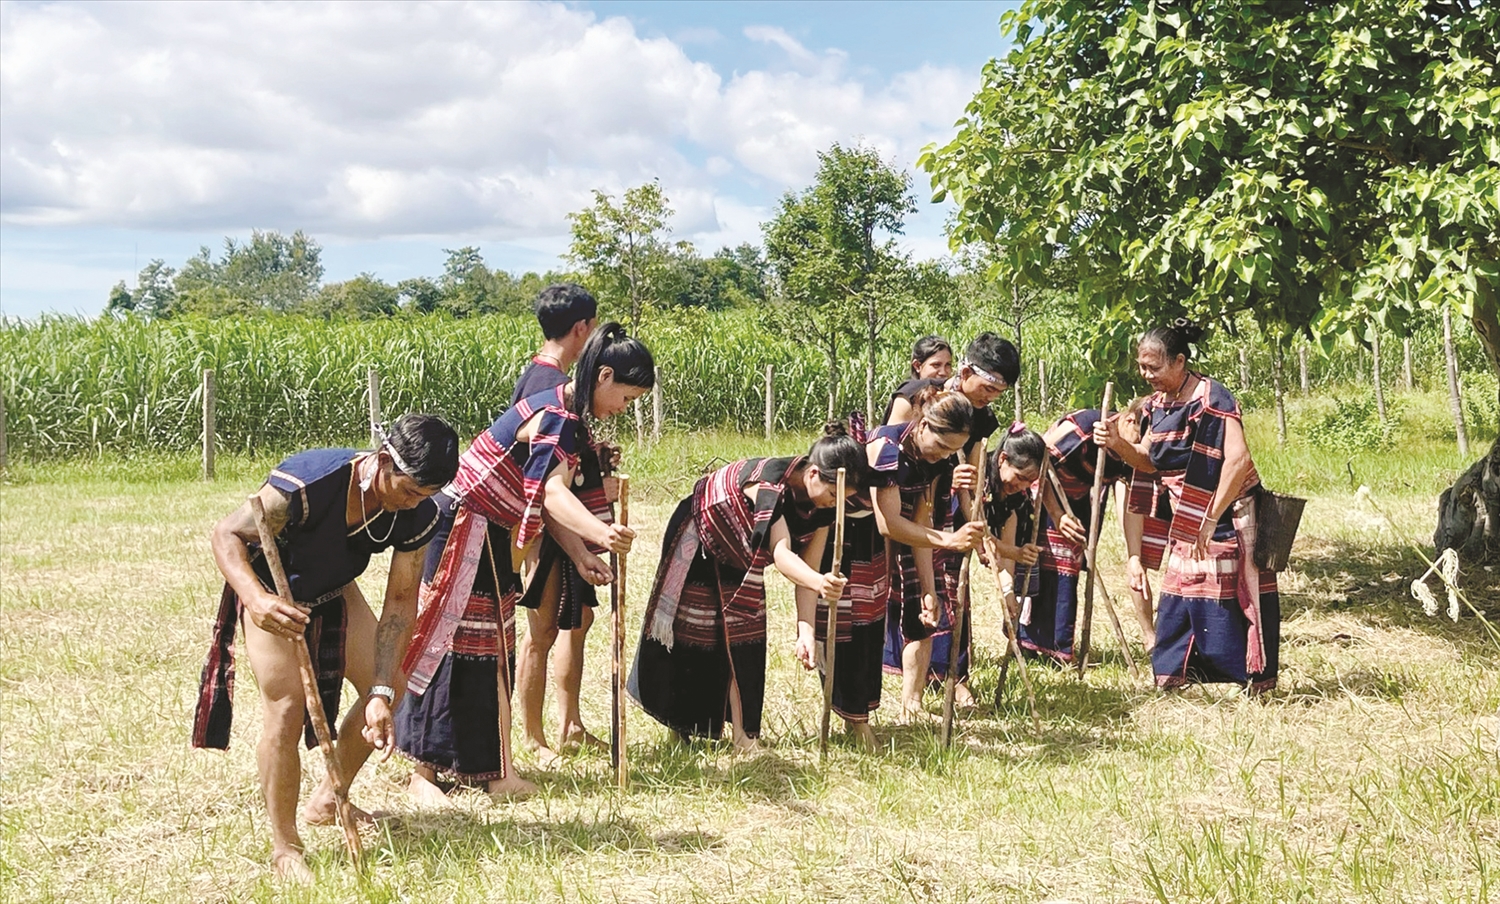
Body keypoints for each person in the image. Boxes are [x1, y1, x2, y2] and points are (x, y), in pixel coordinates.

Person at [191, 414, 460, 882]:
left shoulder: (419, 513)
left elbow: (399, 602)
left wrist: (378, 690)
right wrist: (256, 600)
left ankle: (329, 800)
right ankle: (286, 847)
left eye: (425, 495)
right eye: (409, 489)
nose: (412, 503)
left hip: (336, 591)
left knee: (392, 685)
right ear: (382, 461)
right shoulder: (308, 484)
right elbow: (226, 534)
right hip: (275, 590)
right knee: (286, 709)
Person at [394, 323, 651, 802]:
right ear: (605, 376)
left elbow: (538, 498)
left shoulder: (567, 419)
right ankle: (422, 778)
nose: (622, 409)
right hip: (463, 529)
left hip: (491, 534)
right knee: (448, 646)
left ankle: (492, 771)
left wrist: (580, 553)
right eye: (627, 398)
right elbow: (552, 494)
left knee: (491, 651)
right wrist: (601, 534)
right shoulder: (556, 415)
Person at [630, 426, 864, 751]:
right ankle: (680, 727)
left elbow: (808, 570)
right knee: (690, 635)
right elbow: (782, 554)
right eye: (832, 495)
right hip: (699, 534)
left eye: (842, 500)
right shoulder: (770, 485)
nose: (833, 504)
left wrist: (806, 632)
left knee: (745, 636)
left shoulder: (825, 509)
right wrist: (821, 583)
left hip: (743, 556)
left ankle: (744, 738)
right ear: (813, 473)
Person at [1095, 321, 1279, 693]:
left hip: (1227, 514)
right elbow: (1148, 460)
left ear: (1180, 361)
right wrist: (1116, 443)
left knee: (1230, 594)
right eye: (1142, 367)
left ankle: (1248, 678)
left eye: (1154, 367)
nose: (1147, 375)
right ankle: (1174, 675)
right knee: (1180, 594)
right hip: (1186, 516)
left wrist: (1211, 517)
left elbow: (1237, 460)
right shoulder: (1156, 406)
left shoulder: (1213, 398)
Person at [882, 333, 1020, 706]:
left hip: (940, 503)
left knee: (947, 591)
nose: (989, 397)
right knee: (897, 590)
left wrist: (975, 521)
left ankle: (952, 676)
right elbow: (896, 454)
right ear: (965, 371)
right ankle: (906, 678)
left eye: (998, 393)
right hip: (897, 496)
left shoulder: (982, 418)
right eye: (987, 387)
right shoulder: (920, 395)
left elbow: (970, 476)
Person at [509, 283, 614, 767]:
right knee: (541, 629)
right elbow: (543, 480)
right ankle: (532, 736)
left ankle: (569, 725)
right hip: (546, 527)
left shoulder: (550, 376)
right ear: (582, 328)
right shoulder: (546, 384)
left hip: (565, 523)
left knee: (577, 618)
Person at [868, 390, 989, 721]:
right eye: (941, 446)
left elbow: (922, 518)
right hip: (864, 534)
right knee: (867, 617)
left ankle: (913, 703)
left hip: (913, 530)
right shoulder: (886, 447)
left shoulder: (940, 461)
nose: (944, 456)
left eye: (952, 450)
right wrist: (949, 541)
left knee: (923, 619)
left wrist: (928, 589)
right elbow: (886, 523)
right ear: (922, 426)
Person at [1018, 404, 1143, 663]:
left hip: (1080, 500)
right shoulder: (1087, 426)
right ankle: (1028, 643)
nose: (1141, 447)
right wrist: (1057, 514)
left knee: (1068, 569)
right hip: (1043, 493)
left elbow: (1128, 497)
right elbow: (1037, 458)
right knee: (1040, 563)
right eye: (1141, 437)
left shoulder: (1132, 453)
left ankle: (1058, 647)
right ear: (1129, 421)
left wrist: (1134, 555)